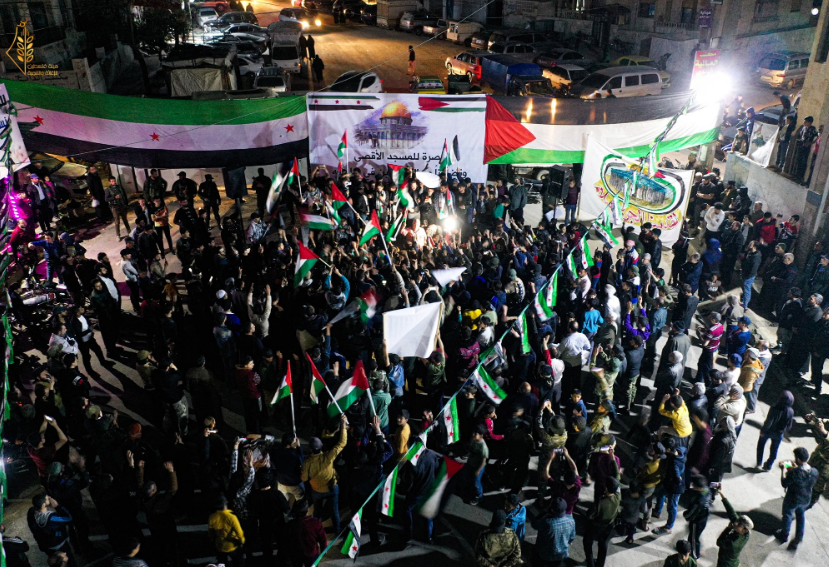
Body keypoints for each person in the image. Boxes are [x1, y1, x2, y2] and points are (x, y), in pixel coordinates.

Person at [301, 413, 347, 533]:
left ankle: (316, 530)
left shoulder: (307, 463)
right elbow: (342, 443)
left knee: (317, 511)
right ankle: (337, 530)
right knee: (334, 511)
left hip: (317, 490)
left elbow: (304, 478)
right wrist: (343, 425)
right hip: (332, 488)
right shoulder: (328, 457)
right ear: (321, 446)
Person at [774, 447, 818, 550]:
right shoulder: (814, 471)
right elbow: (801, 477)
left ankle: (784, 535)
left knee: (787, 515)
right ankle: (799, 537)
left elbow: (785, 483)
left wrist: (783, 469)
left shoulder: (794, 472)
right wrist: (793, 468)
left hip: (793, 498)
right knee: (800, 516)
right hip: (806, 498)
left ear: (797, 459)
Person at [26, 494, 74, 567]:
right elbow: (69, 519)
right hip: (59, 544)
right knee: (66, 561)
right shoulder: (51, 518)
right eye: (47, 499)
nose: (49, 498)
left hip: (45, 546)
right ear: (43, 505)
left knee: (54, 563)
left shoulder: (31, 512)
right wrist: (57, 506)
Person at [583, 477, 621, 567]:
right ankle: (600, 564)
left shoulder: (599, 503)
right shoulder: (618, 497)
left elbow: (589, 515)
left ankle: (590, 564)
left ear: (606, 488)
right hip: (609, 525)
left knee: (587, 542)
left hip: (596, 526)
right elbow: (618, 488)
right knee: (603, 544)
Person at [531, 497, 575, 567]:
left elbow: (534, 524)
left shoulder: (547, 522)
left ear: (552, 509)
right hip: (561, 554)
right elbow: (571, 538)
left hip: (545, 554)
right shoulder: (571, 521)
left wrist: (543, 513)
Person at [757, 391, 794, 471]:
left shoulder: (775, 408)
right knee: (774, 450)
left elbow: (769, 421)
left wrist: (763, 431)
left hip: (769, 431)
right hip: (779, 434)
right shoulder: (790, 411)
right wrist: (783, 430)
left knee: (761, 445)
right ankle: (769, 465)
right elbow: (789, 426)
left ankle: (759, 462)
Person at [208, 495, 245, 567]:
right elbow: (239, 533)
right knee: (239, 562)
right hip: (232, 545)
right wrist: (241, 541)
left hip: (220, 545)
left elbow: (211, 533)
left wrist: (213, 540)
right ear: (225, 504)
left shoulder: (212, 517)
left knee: (222, 563)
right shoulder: (231, 517)